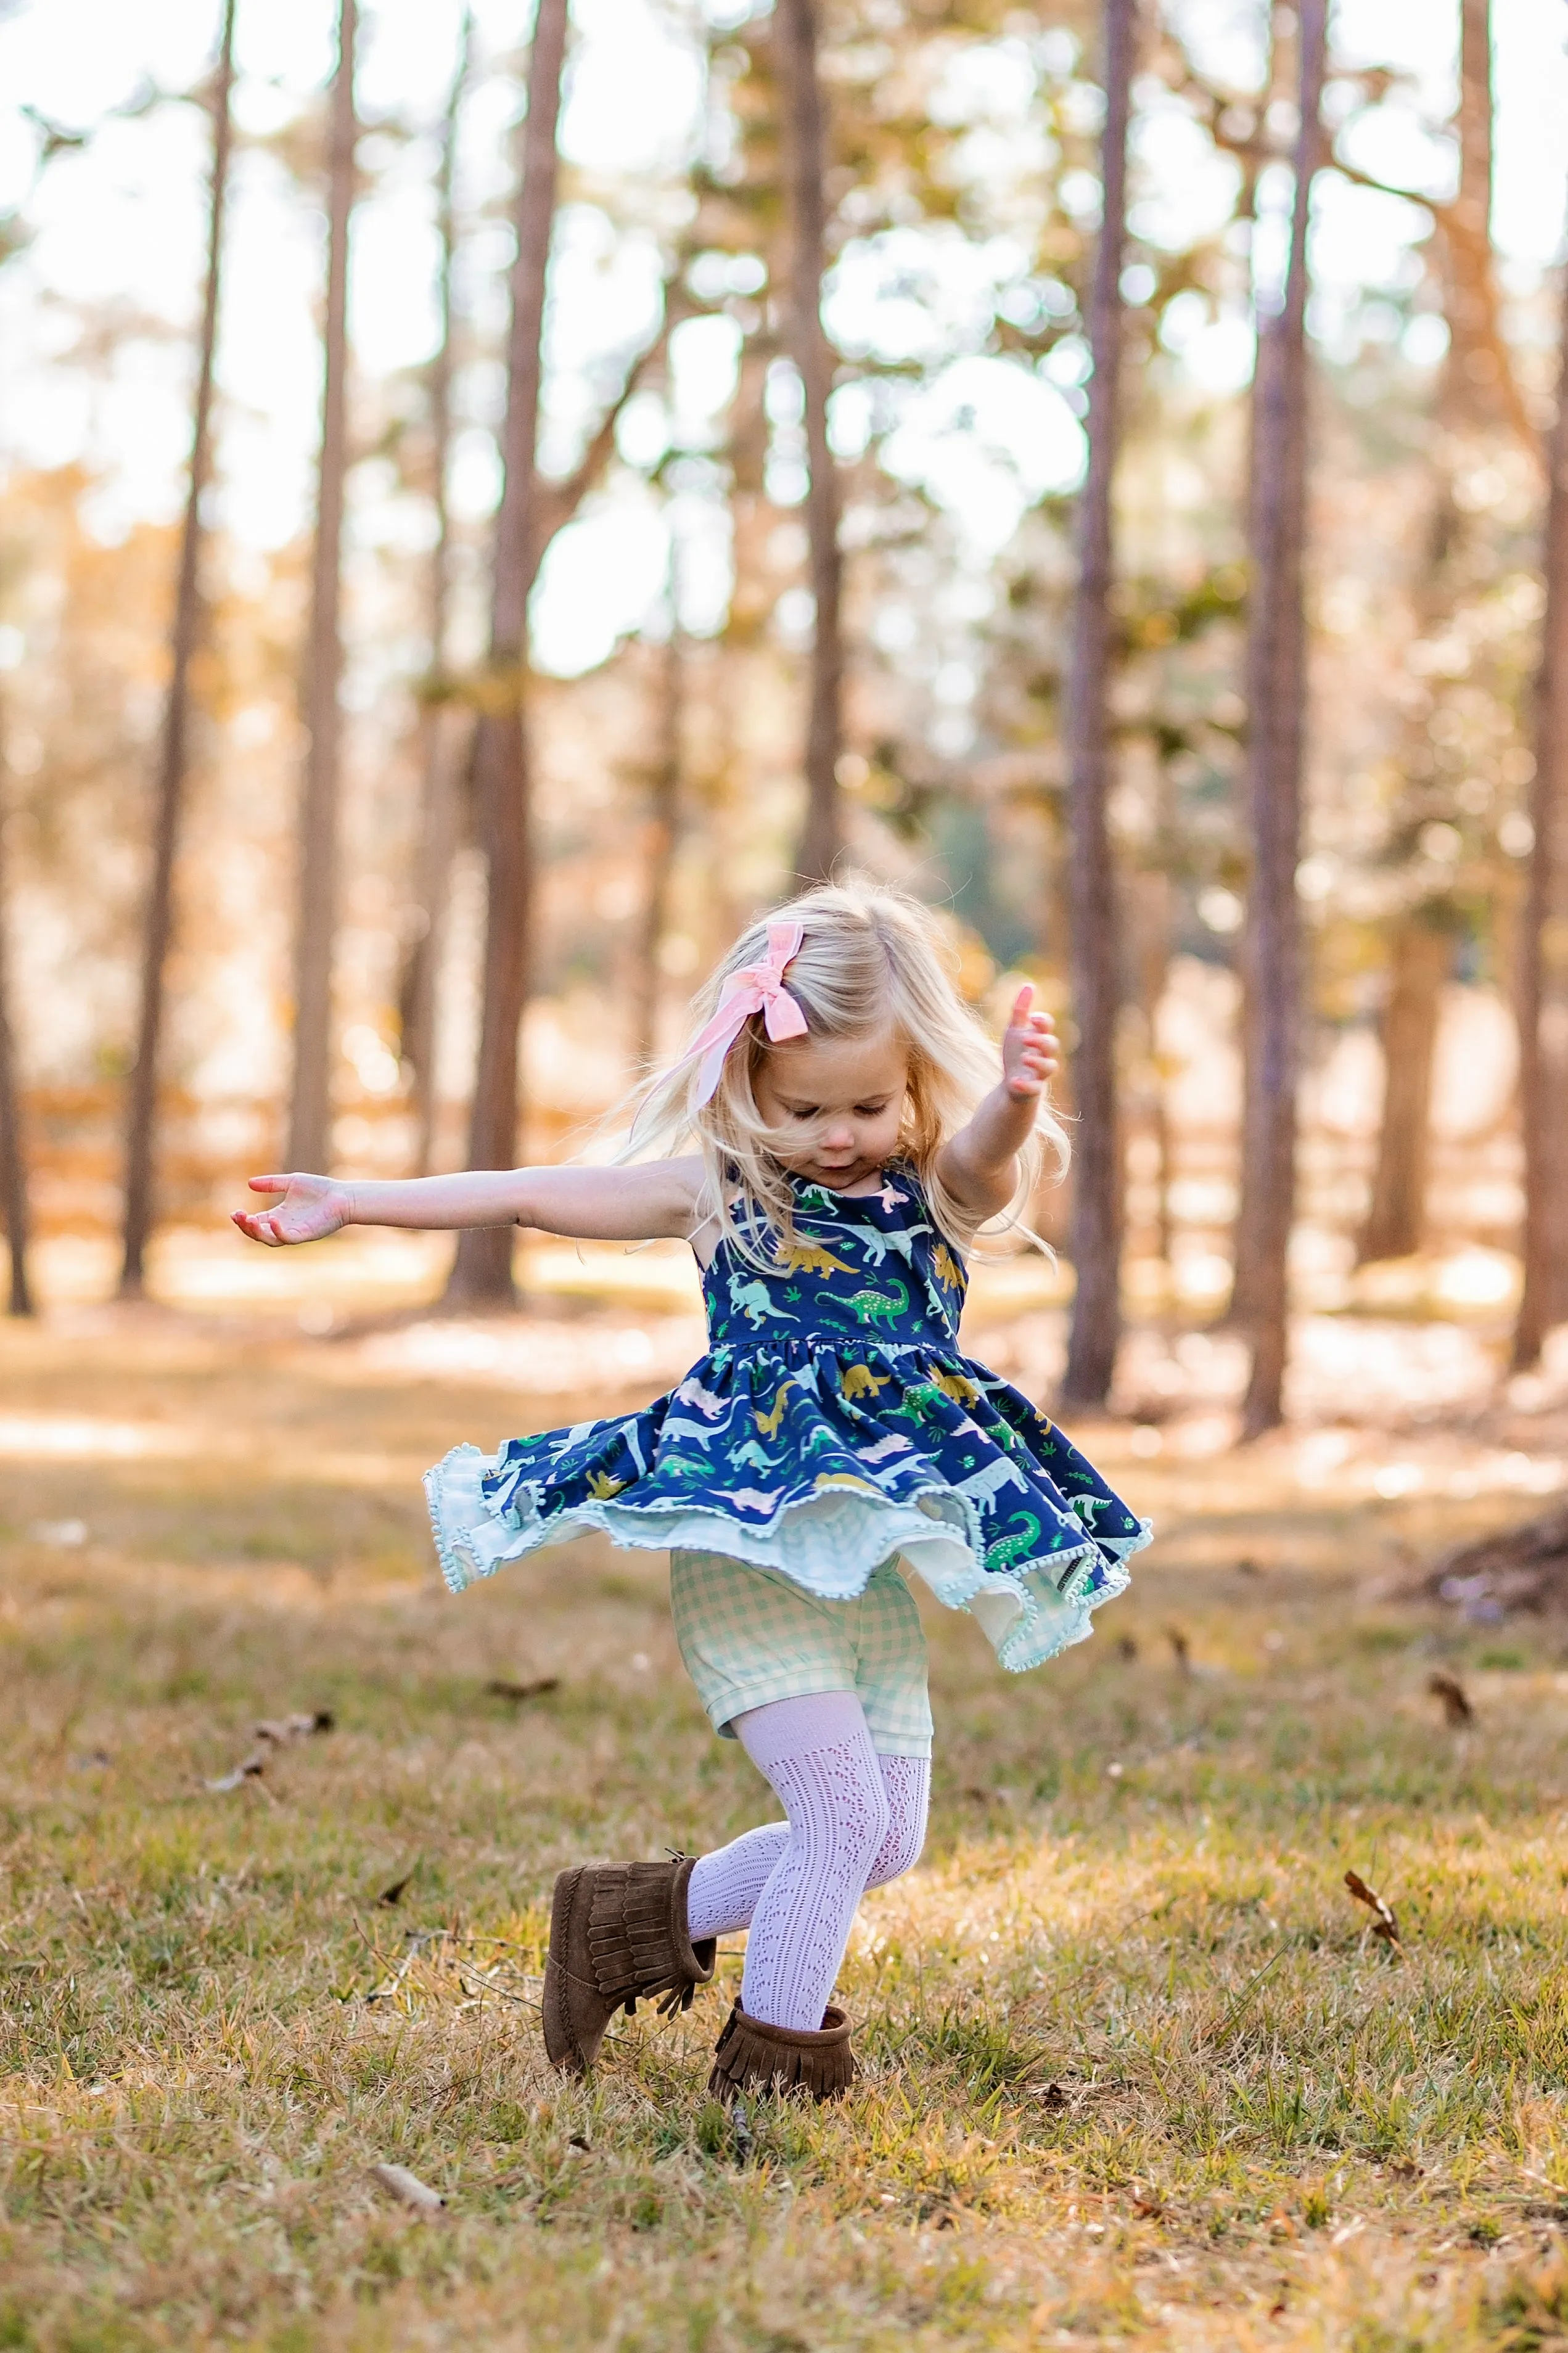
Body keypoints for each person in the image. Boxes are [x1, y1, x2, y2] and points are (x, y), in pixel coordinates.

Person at [235, 882, 1147, 2103]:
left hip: (856, 1569)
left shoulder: (930, 1189)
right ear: (745, 1088)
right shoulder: (718, 1190)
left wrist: (1016, 1098)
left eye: (868, 1105)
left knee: (888, 1839)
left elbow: (985, 1161)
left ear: (914, 1082)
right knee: (834, 1822)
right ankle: (772, 2081)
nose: (836, 1135)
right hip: (742, 1549)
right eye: (801, 1108)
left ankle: (620, 1921)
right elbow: (521, 1191)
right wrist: (354, 1203)